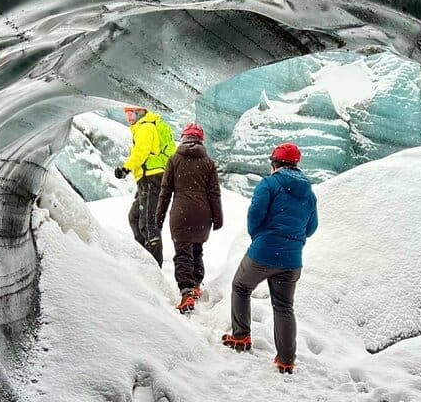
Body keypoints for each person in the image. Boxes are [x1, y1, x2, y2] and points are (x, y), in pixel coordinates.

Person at [221, 142, 318, 374]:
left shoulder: (269, 184)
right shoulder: (309, 192)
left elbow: (255, 214)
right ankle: (286, 360)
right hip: (292, 259)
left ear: (274, 163)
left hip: (263, 252)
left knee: (241, 287)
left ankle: (241, 337)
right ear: (296, 165)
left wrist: (259, 236)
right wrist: (293, 239)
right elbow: (311, 227)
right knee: (284, 306)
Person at [155, 123, 223, 314]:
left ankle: (186, 292)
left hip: (181, 213)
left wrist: (159, 217)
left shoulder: (174, 160)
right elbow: (214, 193)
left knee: (183, 252)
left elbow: (165, 192)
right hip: (203, 215)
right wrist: (218, 218)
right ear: (201, 140)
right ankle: (195, 285)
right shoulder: (208, 163)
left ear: (183, 138)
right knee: (197, 250)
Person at [114, 106, 175, 267]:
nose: (128, 118)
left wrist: (126, 168)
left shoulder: (146, 127)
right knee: (134, 217)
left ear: (140, 112)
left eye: (130, 113)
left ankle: (153, 268)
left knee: (149, 224)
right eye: (126, 114)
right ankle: (143, 257)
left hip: (152, 178)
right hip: (147, 179)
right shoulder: (143, 127)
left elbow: (141, 151)